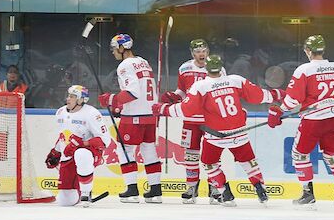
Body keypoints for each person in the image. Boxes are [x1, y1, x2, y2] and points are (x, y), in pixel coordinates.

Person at [153, 55, 285, 206]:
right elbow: (257, 96)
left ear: (207, 69)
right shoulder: (235, 80)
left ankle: (225, 193)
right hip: (238, 131)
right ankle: (260, 188)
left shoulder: (201, 86)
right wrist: (277, 95)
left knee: (209, 163)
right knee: (248, 162)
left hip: (216, 135)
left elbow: (186, 109)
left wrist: (164, 109)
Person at [268, 35, 334, 207]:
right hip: (333, 119)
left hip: (312, 121)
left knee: (299, 154)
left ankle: (307, 193)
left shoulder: (304, 70)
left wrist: (279, 111)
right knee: (333, 155)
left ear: (308, 51)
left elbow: (293, 100)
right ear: (323, 50)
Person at [98, 33, 162, 203]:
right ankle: (155, 191)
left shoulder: (125, 65)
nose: (113, 52)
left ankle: (132, 190)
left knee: (124, 150)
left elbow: (133, 92)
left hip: (134, 115)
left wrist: (112, 100)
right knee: (149, 150)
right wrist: (119, 105)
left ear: (122, 47)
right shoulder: (143, 62)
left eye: (114, 48)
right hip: (150, 115)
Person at [161, 38, 227, 204]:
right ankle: (192, 187)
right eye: (198, 51)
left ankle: (214, 188)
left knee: (212, 156)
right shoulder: (185, 68)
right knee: (190, 155)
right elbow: (182, 91)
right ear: (192, 53)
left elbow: (223, 91)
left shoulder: (218, 68)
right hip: (190, 119)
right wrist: (174, 97)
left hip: (211, 119)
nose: (201, 54)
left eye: (204, 51)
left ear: (208, 51)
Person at [45, 85, 110, 207]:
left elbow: (105, 140)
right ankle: (79, 193)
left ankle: (86, 193)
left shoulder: (92, 113)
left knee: (81, 153)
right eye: (68, 95)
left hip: (89, 153)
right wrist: (56, 151)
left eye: (73, 96)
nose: (68, 98)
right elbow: (63, 136)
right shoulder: (60, 112)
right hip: (68, 156)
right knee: (65, 202)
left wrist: (83, 144)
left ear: (81, 100)